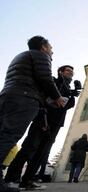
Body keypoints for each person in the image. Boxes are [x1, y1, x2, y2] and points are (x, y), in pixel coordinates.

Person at [0, 36, 65, 192]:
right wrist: (57, 97)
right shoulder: (40, 56)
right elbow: (45, 78)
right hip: (24, 98)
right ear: (43, 47)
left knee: (3, 135)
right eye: (50, 47)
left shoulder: (21, 56)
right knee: (9, 136)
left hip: (8, 95)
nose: (52, 51)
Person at [5, 65, 77, 189]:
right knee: (29, 148)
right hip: (43, 118)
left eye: (72, 72)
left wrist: (72, 95)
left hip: (57, 123)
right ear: (61, 72)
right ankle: (10, 179)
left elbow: (67, 106)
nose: (70, 74)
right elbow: (44, 97)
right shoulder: (53, 81)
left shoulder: (68, 87)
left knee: (42, 152)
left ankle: (28, 180)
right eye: (68, 71)